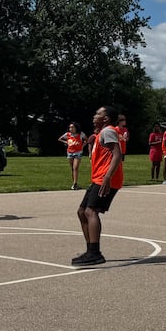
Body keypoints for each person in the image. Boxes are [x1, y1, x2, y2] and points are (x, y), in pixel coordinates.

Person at [72, 105, 125, 266]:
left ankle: (95, 253)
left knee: (90, 211)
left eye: (98, 114)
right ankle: (90, 251)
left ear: (106, 118)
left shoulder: (108, 131)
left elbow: (117, 155)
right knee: (82, 211)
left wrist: (108, 177)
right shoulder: (101, 133)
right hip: (99, 178)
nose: (94, 116)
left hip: (106, 179)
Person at [58, 122, 86, 190]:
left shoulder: (80, 134)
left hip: (78, 152)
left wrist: (82, 146)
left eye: (72, 127)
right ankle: (74, 183)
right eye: (70, 127)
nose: (71, 129)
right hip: (70, 152)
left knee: (75, 167)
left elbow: (86, 140)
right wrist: (66, 142)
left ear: (76, 128)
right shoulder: (67, 134)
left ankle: (75, 183)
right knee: (72, 169)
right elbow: (59, 139)